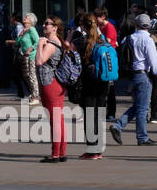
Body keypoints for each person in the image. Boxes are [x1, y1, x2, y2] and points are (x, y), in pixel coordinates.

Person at [109, 14, 157, 147]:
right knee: (143, 108)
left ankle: (118, 126)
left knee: (138, 105)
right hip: (143, 75)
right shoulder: (148, 40)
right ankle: (142, 137)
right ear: (149, 26)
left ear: (136, 24)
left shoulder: (128, 38)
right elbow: (154, 61)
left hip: (131, 75)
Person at [74, 14, 108, 160]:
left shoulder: (80, 41)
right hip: (103, 82)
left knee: (89, 117)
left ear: (83, 26)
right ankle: (99, 149)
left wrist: (69, 37)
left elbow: (69, 55)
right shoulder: (102, 40)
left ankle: (92, 150)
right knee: (99, 116)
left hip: (88, 83)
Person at [35, 17, 68, 162]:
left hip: (50, 84)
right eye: (44, 23)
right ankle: (60, 153)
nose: (44, 25)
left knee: (55, 120)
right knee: (58, 119)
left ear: (55, 27)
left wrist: (39, 45)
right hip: (56, 84)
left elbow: (39, 61)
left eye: (47, 24)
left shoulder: (50, 44)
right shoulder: (58, 41)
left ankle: (55, 154)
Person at [16, 13, 41, 103]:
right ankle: (33, 93)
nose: (24, 18)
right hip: (24, 56)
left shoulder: (32, 29)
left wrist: (30, 50)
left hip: (31, 56)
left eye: (26, 17)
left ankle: (35, 96)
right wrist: (21, 35)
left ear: (31, 20)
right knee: (26, 76)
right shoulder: (25, 30)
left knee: (32, 76)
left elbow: (37, 41)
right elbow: (17, 43)